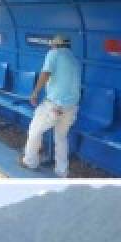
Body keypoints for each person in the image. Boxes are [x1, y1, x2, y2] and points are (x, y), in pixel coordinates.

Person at [21, 33, 82, 178]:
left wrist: (35, 93)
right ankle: (62, 170)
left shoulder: (54, 53)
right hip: (71, 107)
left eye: (52, 45)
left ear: (55, 45)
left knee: (35, 130)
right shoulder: (74, 60)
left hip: (55, 105)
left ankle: (30, 161)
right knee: (61, 138)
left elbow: (45, 73)